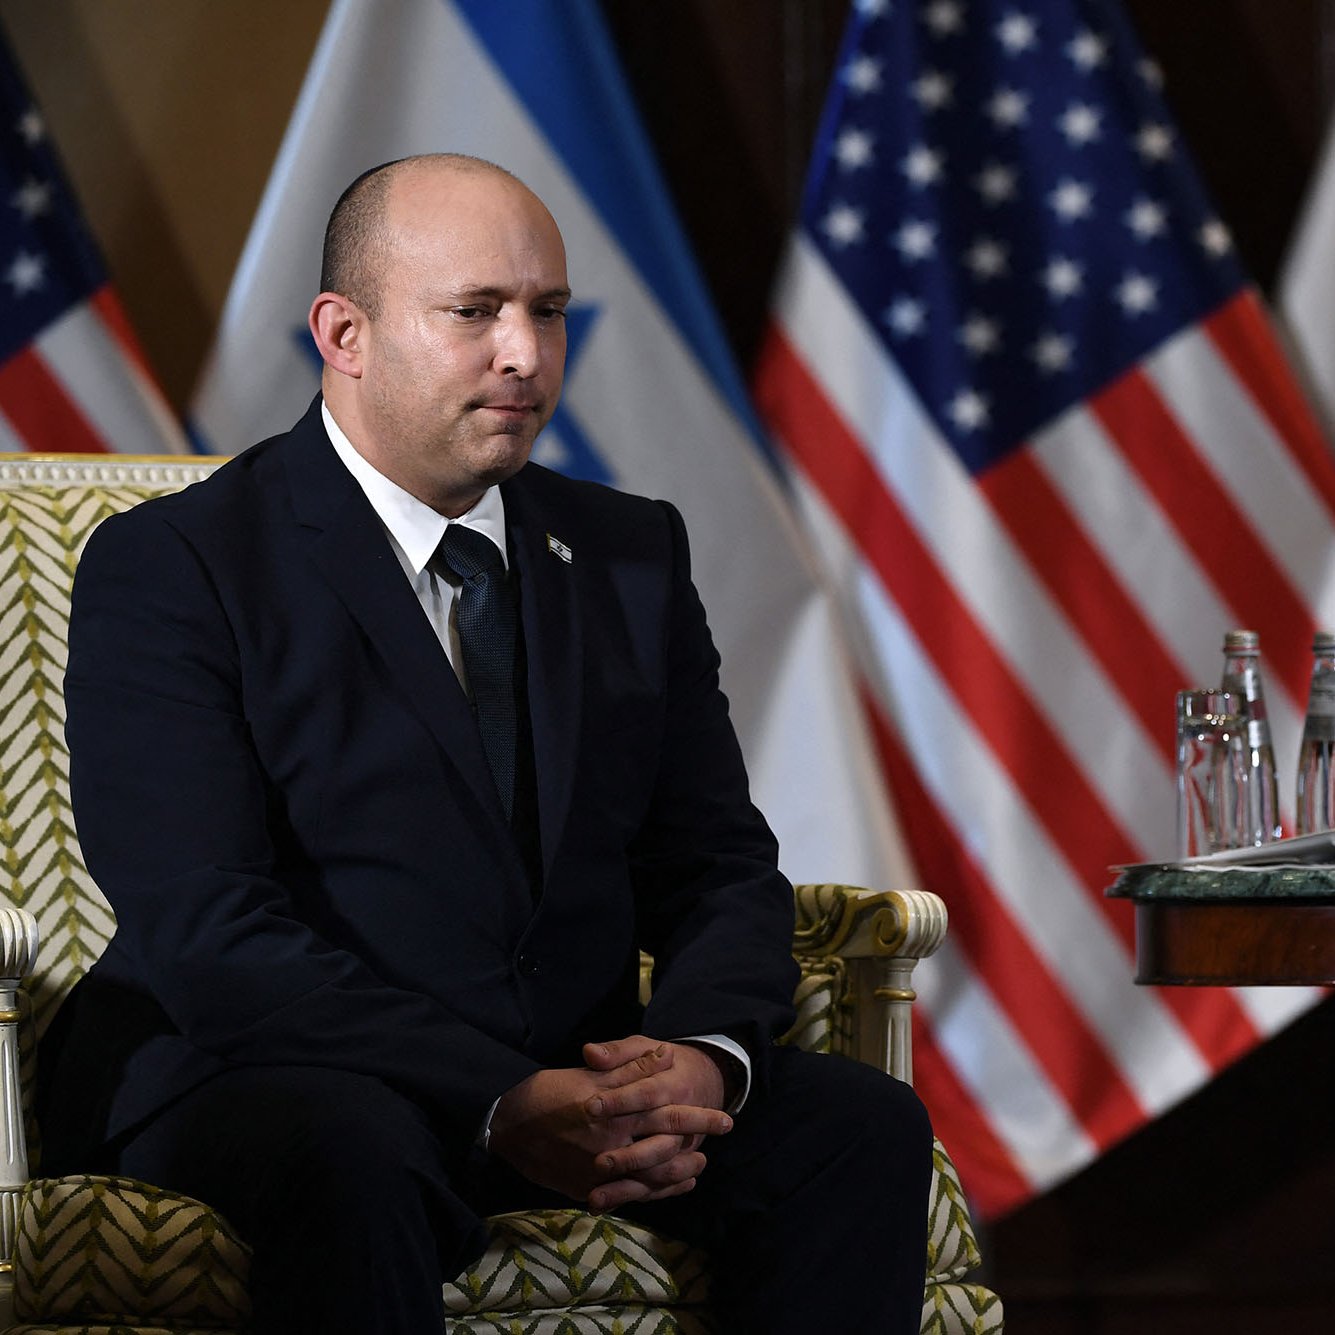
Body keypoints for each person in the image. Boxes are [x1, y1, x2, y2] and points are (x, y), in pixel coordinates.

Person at [38, 154, 932, 1334]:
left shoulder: (627, 552)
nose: (525, 353)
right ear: (344, 333)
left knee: (856, 1129)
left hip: (578, 1072)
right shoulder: (181, 565)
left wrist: (699, 1059)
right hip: (265, 1071)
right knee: (351, 1156)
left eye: (548, 312)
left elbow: (716, 865)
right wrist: (507, 1097)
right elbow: (208, 935)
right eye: (475, 312)